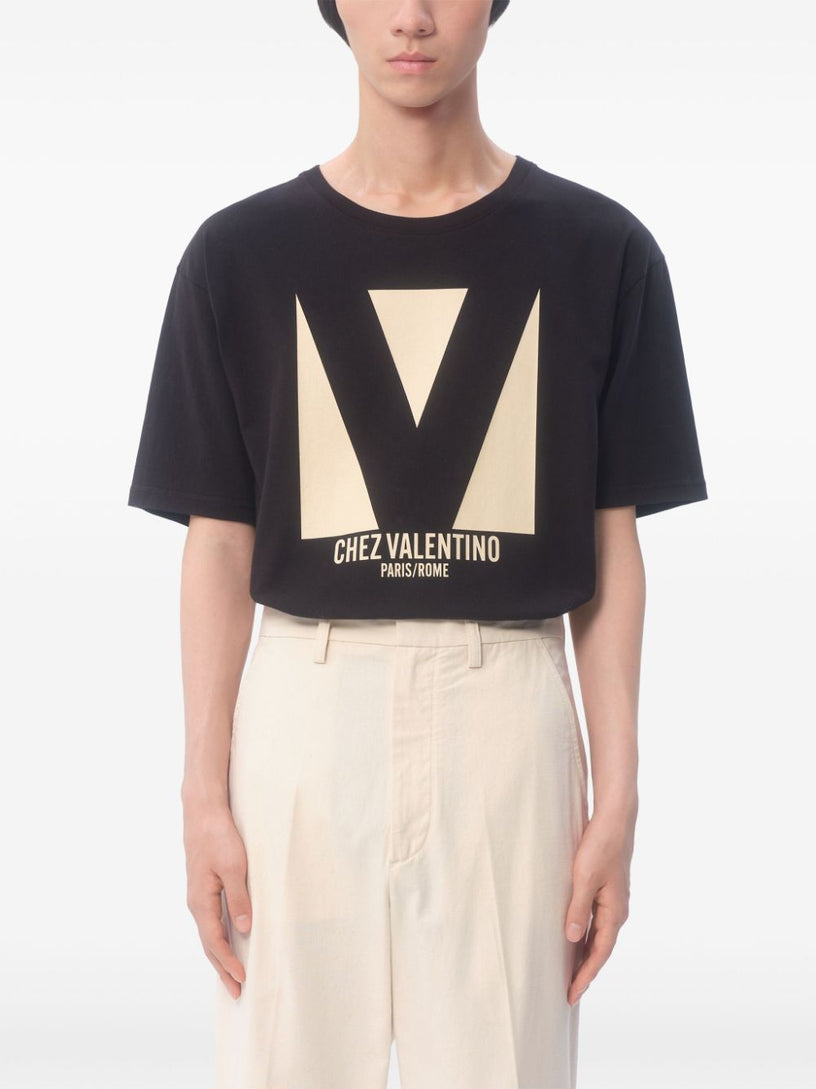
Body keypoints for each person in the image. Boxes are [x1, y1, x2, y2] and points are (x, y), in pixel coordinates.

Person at [127, 2, 708, 1086]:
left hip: (509, 715)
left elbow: (611, 542)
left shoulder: (600, 251)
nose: (412, 16)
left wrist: (619, 792)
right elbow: (217, 543)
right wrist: (202, 792)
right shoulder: (238, 255)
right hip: (303, 716)